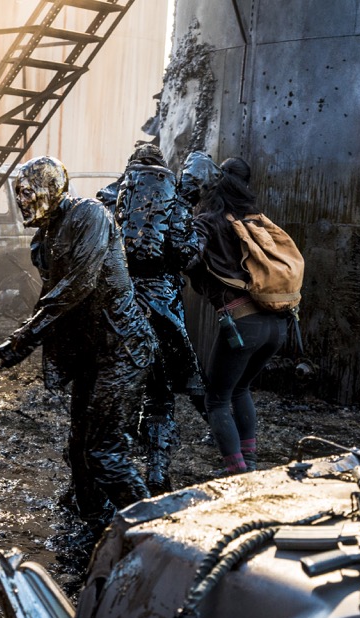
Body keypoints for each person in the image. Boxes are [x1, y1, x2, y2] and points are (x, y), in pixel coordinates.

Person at [0, 156, 158, 526]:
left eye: (27, 192)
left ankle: (156, 530)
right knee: (79, 445)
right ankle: (93, 519)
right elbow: (51, 295)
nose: (22, 201)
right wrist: (26, 333)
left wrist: (27, 336)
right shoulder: (45, 237)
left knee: (104, 451)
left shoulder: (89, 215)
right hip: (91, 353)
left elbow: (79, 284)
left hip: (123, 349)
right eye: (18, 194)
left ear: (50, 189)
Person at [96, 142, 203, 495]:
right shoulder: (173, 198)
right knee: (159, 393)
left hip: (118, 305)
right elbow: (185, 254)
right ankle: (157, 472)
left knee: (115, 389)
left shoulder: (110, 199)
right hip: (162, 307)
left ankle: (113, 471)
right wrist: (199, 236)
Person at [185, 155, 289, 474]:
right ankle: (250, 463)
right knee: (241, 389)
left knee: (216, 400)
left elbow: (186, 257)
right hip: (277, 323)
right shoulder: (256, 219)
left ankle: (237, 473)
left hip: (242, 323)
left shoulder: (209, 220)